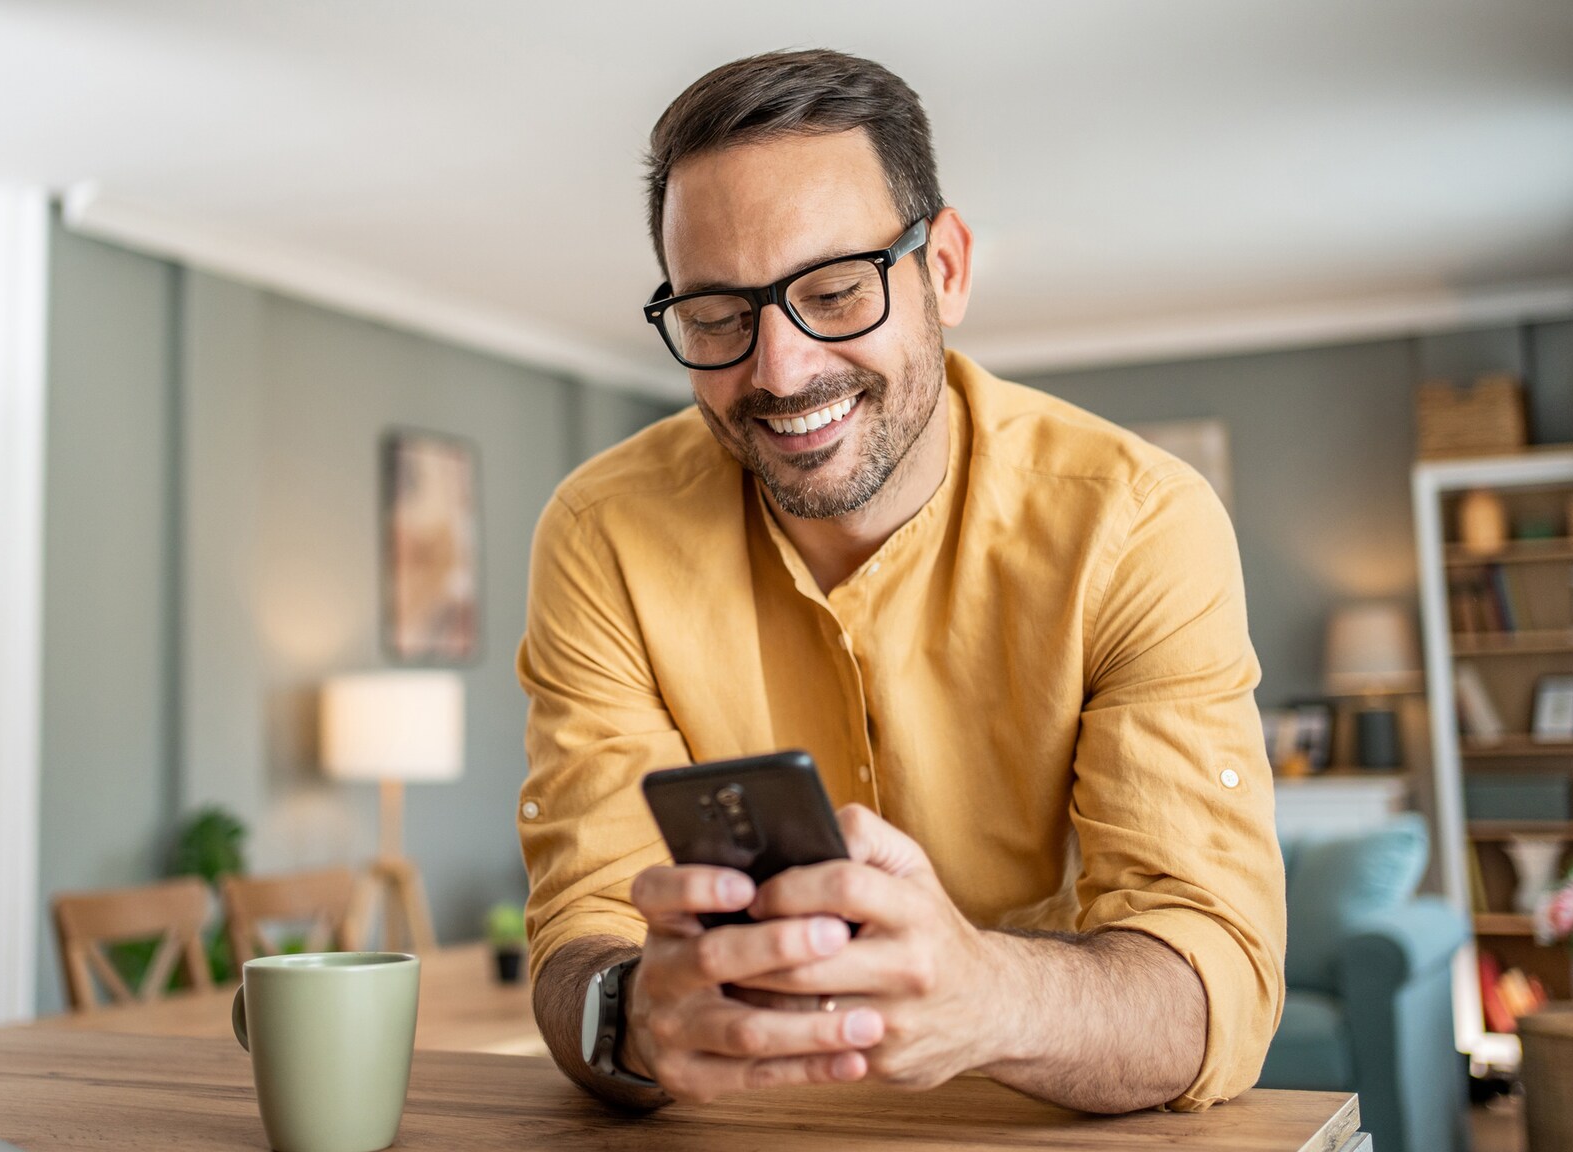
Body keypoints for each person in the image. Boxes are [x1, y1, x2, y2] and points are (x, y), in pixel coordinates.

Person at [515, 48, 1284, 1116]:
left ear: (947, 269)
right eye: (714, 318)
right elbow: (578, 931)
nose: (778, 371)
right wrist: (632, 1013)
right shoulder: (599, 535)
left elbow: (1214, 986)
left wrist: (988, 994)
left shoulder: (1139, 524)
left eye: (834, 290)